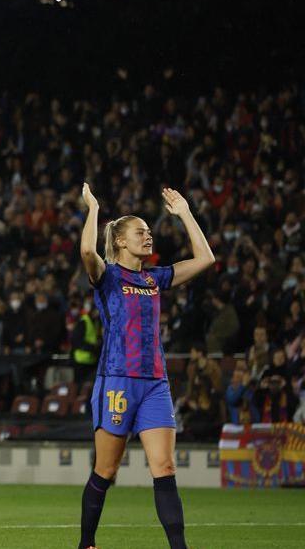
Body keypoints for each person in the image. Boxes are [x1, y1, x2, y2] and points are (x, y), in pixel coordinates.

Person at [77, 184, 215, 549]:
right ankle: (87, 543)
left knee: (166, 469)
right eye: (140, 232)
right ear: (120, 241)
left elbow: (205, 260)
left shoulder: (155, 279)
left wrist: (185, 212)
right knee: (106, 471)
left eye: (149, 232)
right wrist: (93, 208)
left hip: (155, 382)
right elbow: (87, 249)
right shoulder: (106, 276)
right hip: (117, 381)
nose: (148, 236)